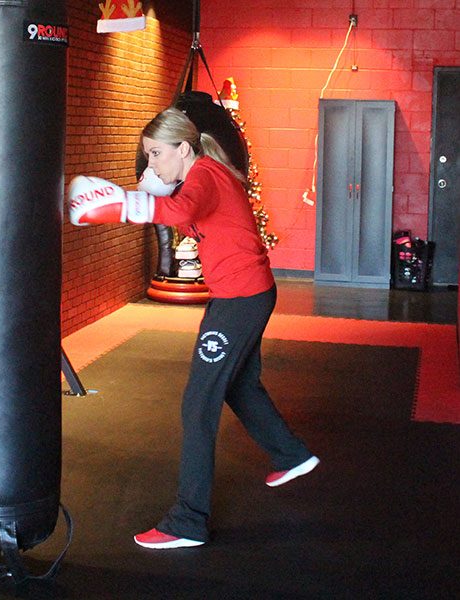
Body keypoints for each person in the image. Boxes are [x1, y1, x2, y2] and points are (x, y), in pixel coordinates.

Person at [67, 107, 319, 549]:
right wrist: (143, 190)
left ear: (184, 148)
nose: (152, 164)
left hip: (239, 300)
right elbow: (187, 217)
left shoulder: (205, 175)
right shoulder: (206, 175)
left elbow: (182, 207)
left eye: (156, 154)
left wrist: (123, 204)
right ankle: (292, 455)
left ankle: (187, 521)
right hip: (244, 295)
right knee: (240, 386)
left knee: (197, 404)